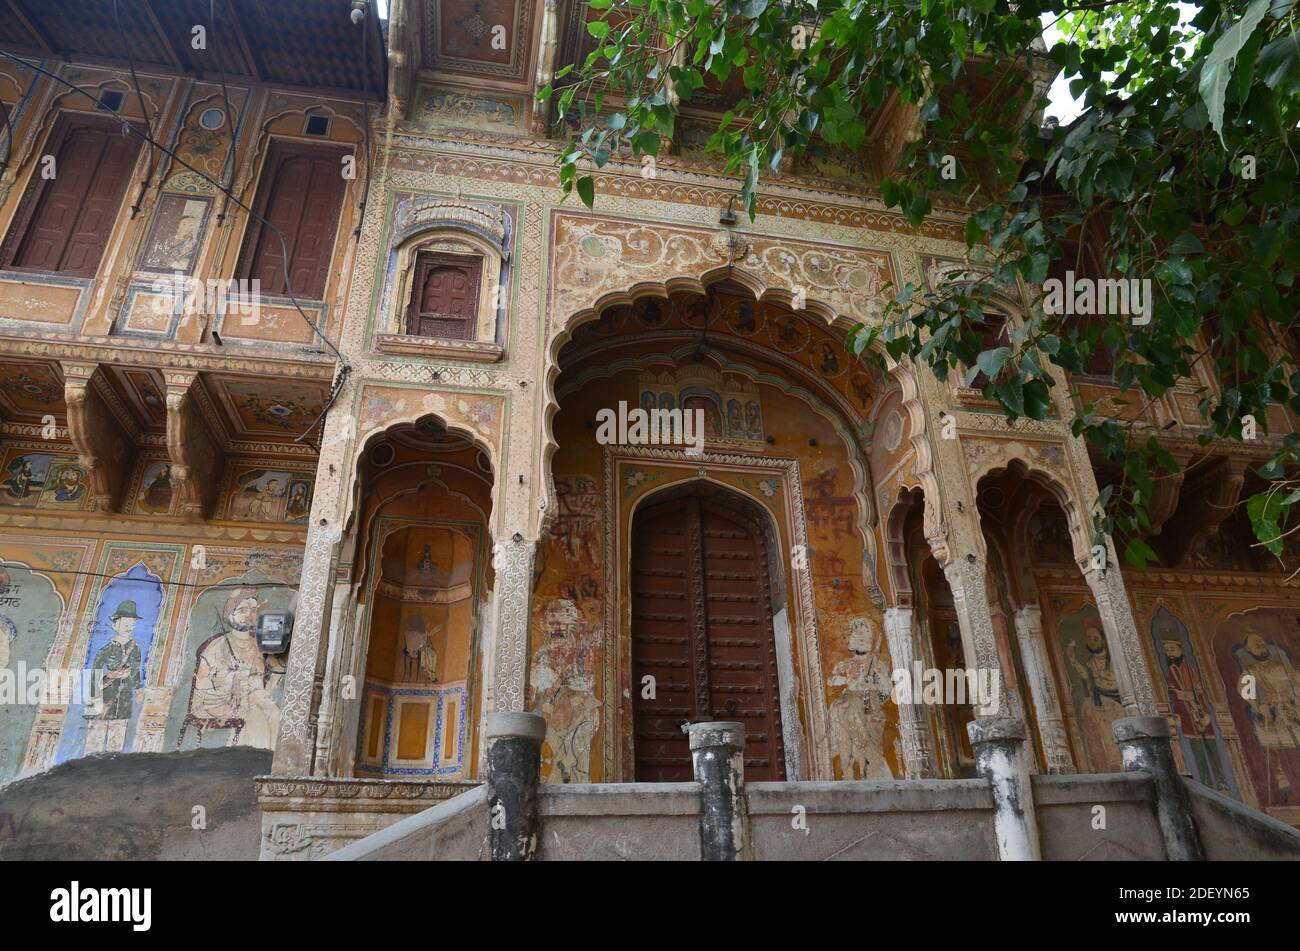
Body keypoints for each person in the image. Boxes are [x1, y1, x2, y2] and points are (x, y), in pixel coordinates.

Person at [185, 587, 283, 749]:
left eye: (253, 610)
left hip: (248, 699)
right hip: (217, 702)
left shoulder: (259, 647)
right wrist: (226, 679)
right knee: (256, 716)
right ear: (231, 614)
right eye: (243, 610)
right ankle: (252, 758)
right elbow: (201, 683)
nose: (249, 614)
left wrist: (277, 672)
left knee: (274, 713)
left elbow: (262, 686)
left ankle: (271, 759)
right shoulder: (218, 645)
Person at [85, 600, 144, 754]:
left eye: (132, 625)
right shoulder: (105, 650)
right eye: (125, 624)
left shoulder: (135, 649)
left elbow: (136, 672)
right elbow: (94, 674)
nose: (129, 628)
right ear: (115, 625)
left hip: (124, 697)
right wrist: (95, 695)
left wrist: (138, 690)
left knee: (116, 741)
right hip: (104, 694)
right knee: (95, 740)